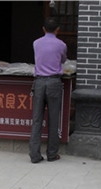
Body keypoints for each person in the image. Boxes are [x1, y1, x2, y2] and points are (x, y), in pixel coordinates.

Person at [29, 17, 67, 164]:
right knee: (53, 119)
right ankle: (52, 154)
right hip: (54, 83)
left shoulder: (36, 43)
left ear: (43, 29)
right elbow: (63, 60)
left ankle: (34, 155)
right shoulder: (61, 45)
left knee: (37, 119)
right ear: (57, 30)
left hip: (39, 83)